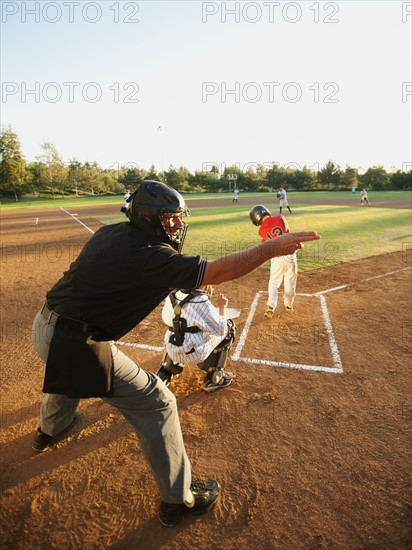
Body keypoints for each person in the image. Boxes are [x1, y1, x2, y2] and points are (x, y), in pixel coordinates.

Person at [31, 180, 320, 527]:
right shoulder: (152, 256)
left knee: (67, 367)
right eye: (170, 219)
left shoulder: (111, 235)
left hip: (45, 326)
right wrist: (272, 248)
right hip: (76, 341)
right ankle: (178, 501)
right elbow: (215, 271)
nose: (178, 225)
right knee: (158, 402)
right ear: (151, 219)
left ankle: (52, 427)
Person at [157, 285, 236, 391]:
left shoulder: (171, 295)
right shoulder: (201, 300)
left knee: (175, 328)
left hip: (173, 351)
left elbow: (166, 318)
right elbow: (221, 330)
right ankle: (215, 377)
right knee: (229, 327)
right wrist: (222, 307)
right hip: (196, 354)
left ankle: (166, 371)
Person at [250, 204, 298, 318]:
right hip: (290, 256)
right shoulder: (281, 218)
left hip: (276, 258)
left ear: (257, 219)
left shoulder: (261, 230)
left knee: (274, 283)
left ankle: (271, 305)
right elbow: (288, 233)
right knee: (290, 281)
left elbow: (266, 243)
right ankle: (288, 304)